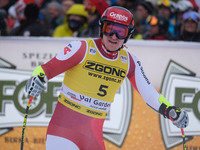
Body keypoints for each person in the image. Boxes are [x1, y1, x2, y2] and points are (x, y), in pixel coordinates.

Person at [25, 6, 189, 150]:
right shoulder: (82, 48)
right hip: (62, 134)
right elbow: (46, 69)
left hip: (93, 138)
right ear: (101, 28)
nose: (114, 36)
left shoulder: (129, 61)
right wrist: (37, 78)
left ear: (128, 35)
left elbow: (150, 95)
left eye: (121, 31)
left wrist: (171, 110)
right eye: (110, 28)